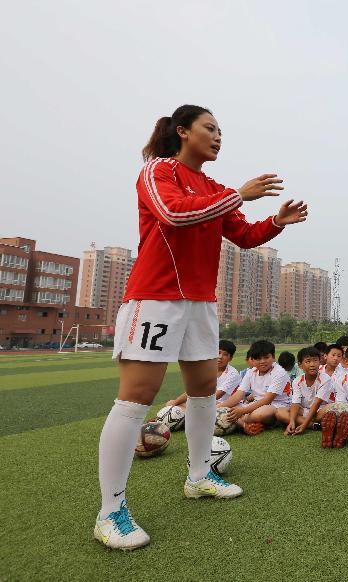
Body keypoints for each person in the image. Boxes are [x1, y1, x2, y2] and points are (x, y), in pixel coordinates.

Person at [95, 105, 308, 550]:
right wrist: (239, 195)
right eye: (209, 128)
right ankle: (110, 511)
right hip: (155, 298)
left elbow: (243, 235)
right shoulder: (158, 171)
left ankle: (198, 477)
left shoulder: (212, 187)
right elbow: (174, 214)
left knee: (204, 390)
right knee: (135, 399)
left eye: (220, 131)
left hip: (200, 304)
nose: (217, 137)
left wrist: (275, 222)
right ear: (182, 131)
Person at [221, 340, 292, 434]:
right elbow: (238, 395)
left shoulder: (279, 372)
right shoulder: (251, 372)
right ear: (253, 360)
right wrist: (218, 407)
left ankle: (238, 422)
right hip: (255, 404)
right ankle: (242, 422)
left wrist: (242, 411)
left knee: (261, 414)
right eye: (258, 359)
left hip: (277, 406)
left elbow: (267, 400)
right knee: (230, 406)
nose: (262, 362)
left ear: (273, 357)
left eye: (266, 357)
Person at [164, 340, 240, 409]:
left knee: (189, 408)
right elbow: (193, 391)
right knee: (170, 403)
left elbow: (217, 395)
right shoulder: (207, 370)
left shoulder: (233, 374)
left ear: (230, 358)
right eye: (218, 352)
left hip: (223, 406)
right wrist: (175, 403)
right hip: (205, 403)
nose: (220, 357)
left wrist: (194, 403)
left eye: (225, 354)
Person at [285, 347, 329, 436]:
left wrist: (304, 425)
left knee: (332, 408)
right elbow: (296, 403)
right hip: (304, 411)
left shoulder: (325, 379)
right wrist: (292, 421)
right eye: (308, 361)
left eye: (315, 360)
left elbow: (317, 403)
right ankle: (314, 425)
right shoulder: (297, 381)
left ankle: (305, 422)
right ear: (300, 365)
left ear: (320, 362)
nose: (312, 364)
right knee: (280, 412)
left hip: (320, 412)